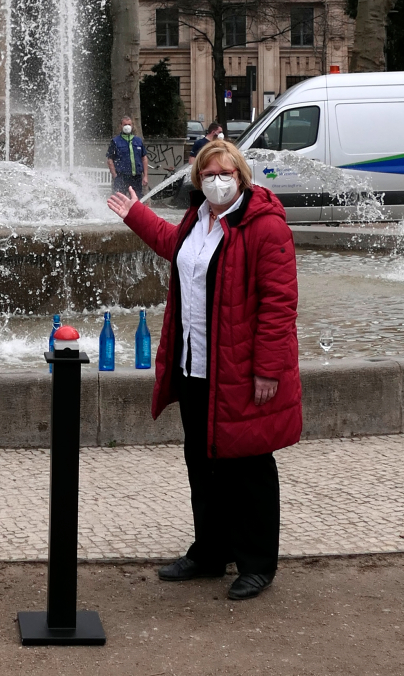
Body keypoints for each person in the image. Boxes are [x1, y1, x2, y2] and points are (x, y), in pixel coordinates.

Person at [107, 140, 301, 601]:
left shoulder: (265, 226)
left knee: (249, 466)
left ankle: (256, 564)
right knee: (203, 461)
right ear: (198, 180)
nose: (217, 181)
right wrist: (136, 215)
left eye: (224, 173)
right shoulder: (197, 219)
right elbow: (173, 247)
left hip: (240, 370)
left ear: (241, 177)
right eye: (208, 174)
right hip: (194, 366)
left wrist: (267, 369)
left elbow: (279, 303)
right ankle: (210, 552)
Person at [106, 115, 149, 197]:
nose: (127, 127)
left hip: (136, 177)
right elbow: (110, 159)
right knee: (120, 200)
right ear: (121, 126)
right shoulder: (115, 141)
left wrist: (145, 176)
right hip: (121, 177)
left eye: (129, 124)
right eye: (125, 124)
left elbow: (144, 158)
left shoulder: (138, 141)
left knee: (137, 199)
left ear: (132, 126)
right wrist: (115, 175)